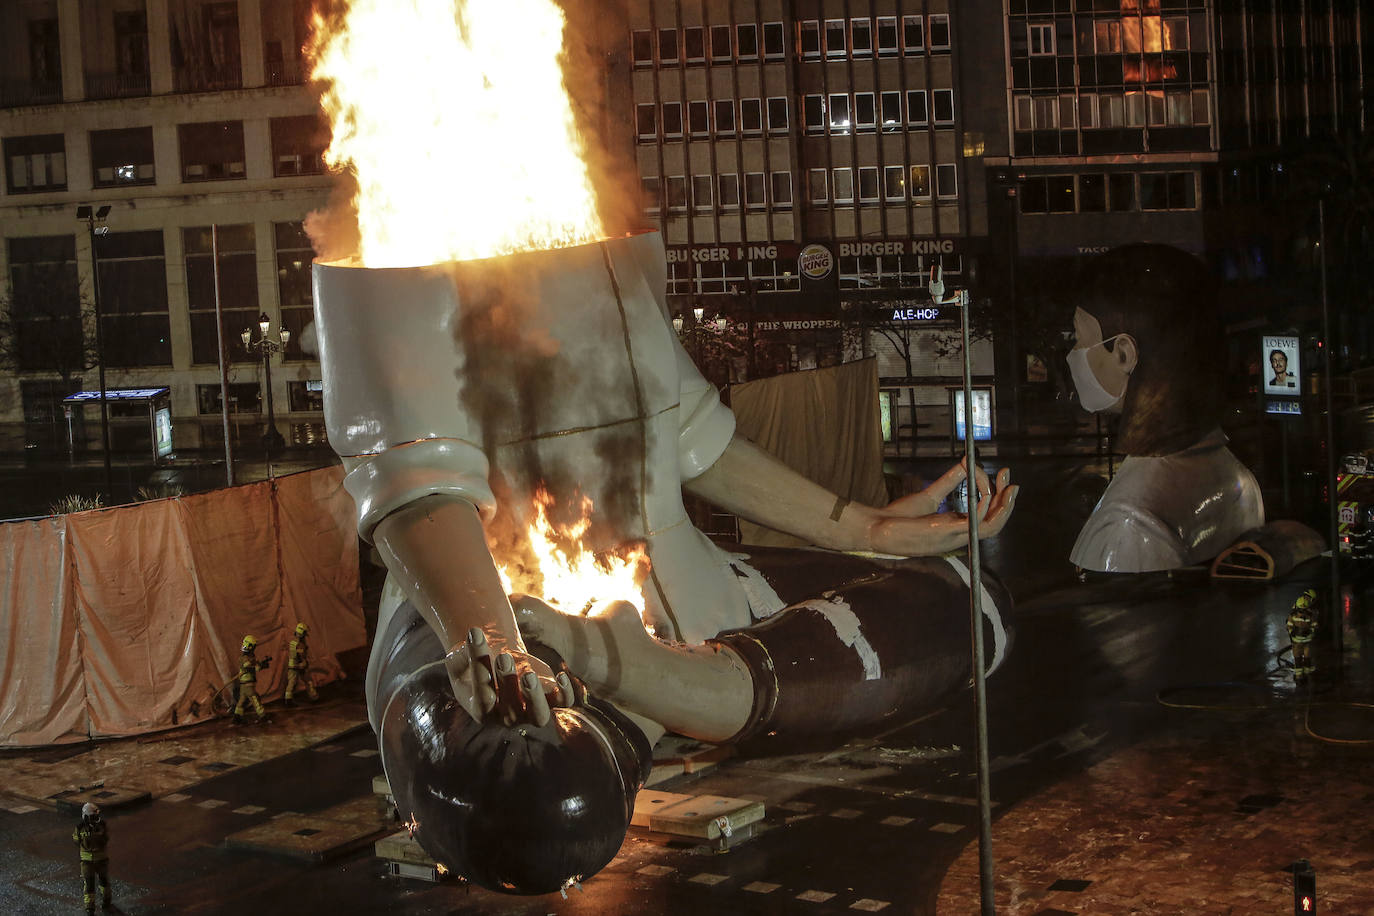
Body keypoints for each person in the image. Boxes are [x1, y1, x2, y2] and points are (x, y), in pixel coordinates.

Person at [313, 231, 1018, 893]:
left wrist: (865, 528)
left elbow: (690, 437)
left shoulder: (595, 240)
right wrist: (500, 648)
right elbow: (418, 488)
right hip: (483, 628)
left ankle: (651, 678)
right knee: (538, 803)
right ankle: (652, 703)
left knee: (968, 601)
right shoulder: (402, 250)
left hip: (693, 604)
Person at [1064, 244, 1264, 572]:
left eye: (1079, 337)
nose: (1074, 351)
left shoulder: (1130, 527)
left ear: (1124, 354)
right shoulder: (1240, 479)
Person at [73, 802, 111, 914]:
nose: (97, 818)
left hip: (100, 859)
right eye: (94, 816)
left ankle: (106, 900)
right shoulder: (80, 827)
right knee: (89, 884)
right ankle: (90, 908)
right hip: (87, 861)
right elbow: (76, 840)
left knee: (103, 881)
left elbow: (106, 839)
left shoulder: (102, 825)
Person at [232, 635, 271, 724]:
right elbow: (249, 668)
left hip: (245, 683)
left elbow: (255, 664)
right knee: (255, 699)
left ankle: (237, 717)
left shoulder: (249, 657)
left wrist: (262, 664)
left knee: (242, 700)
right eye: (254, 646)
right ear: (250, 647)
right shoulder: (244, 658)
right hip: (247, 683)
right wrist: (259, 667)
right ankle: (263, 716)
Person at [284, 622, 319, 706]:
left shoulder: (293, 642)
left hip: (292, 665)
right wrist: (304, 663)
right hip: (299, 665)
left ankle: (288, 700)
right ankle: (314, 697)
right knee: (308, 681)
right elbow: (300, 655)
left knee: (291, 683)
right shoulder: (300, 644)